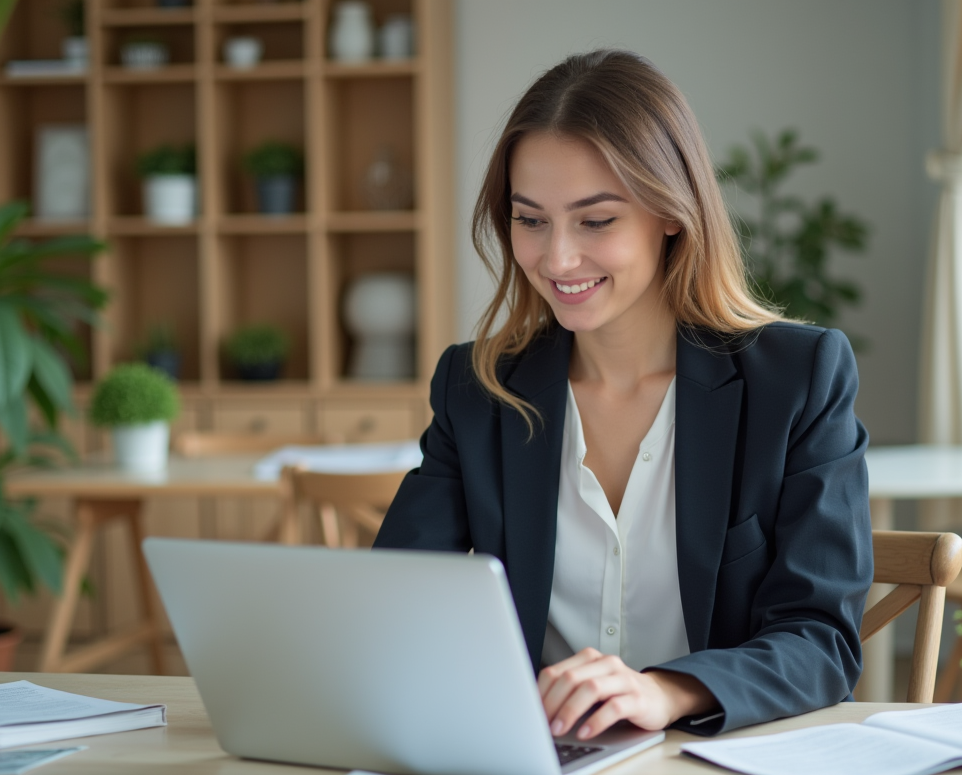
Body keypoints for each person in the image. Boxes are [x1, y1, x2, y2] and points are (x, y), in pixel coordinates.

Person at [374, 49, 872, 738]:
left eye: (596, 220)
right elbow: (393, 606)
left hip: (715, 766)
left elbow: (822, 641)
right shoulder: (478, 389)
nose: (557, 258)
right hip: (537, 765)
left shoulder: (797, 379)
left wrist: (664, 691)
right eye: (530, 220)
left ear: (671, 212)